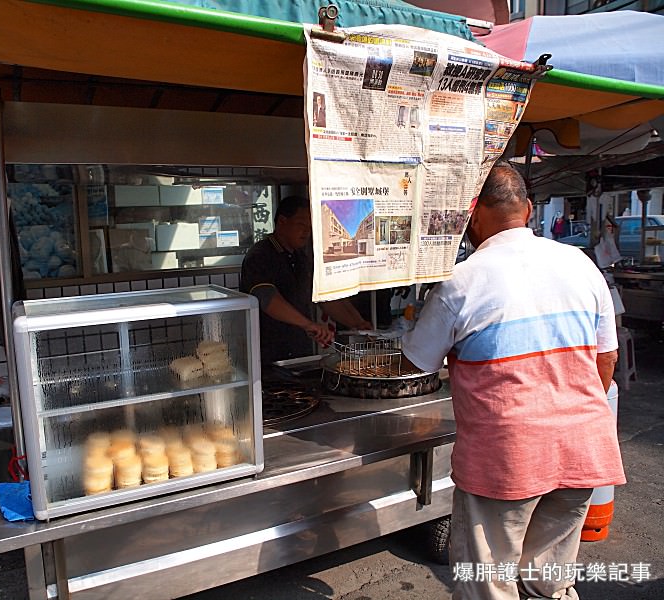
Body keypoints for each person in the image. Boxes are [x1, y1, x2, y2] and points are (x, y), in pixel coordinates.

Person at [401, 162, 625, 600]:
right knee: (550, 580)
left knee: (489, 584)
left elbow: (416, 365)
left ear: (474, 214)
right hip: (582, 450)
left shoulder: (460, 282)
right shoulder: (579, 263)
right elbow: (607, 358)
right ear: (525, 210)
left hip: (505, 459)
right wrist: (566, 413)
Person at [240, 195, 372, 365]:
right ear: (282, 222)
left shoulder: (301, 257)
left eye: (310, 227)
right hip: (266, 353)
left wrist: (356, 323)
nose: (306, 232)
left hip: (300, 351)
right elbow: (267, 299)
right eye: (301, 225)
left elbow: (323, 298)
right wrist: (308, 324)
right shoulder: (260, 255)